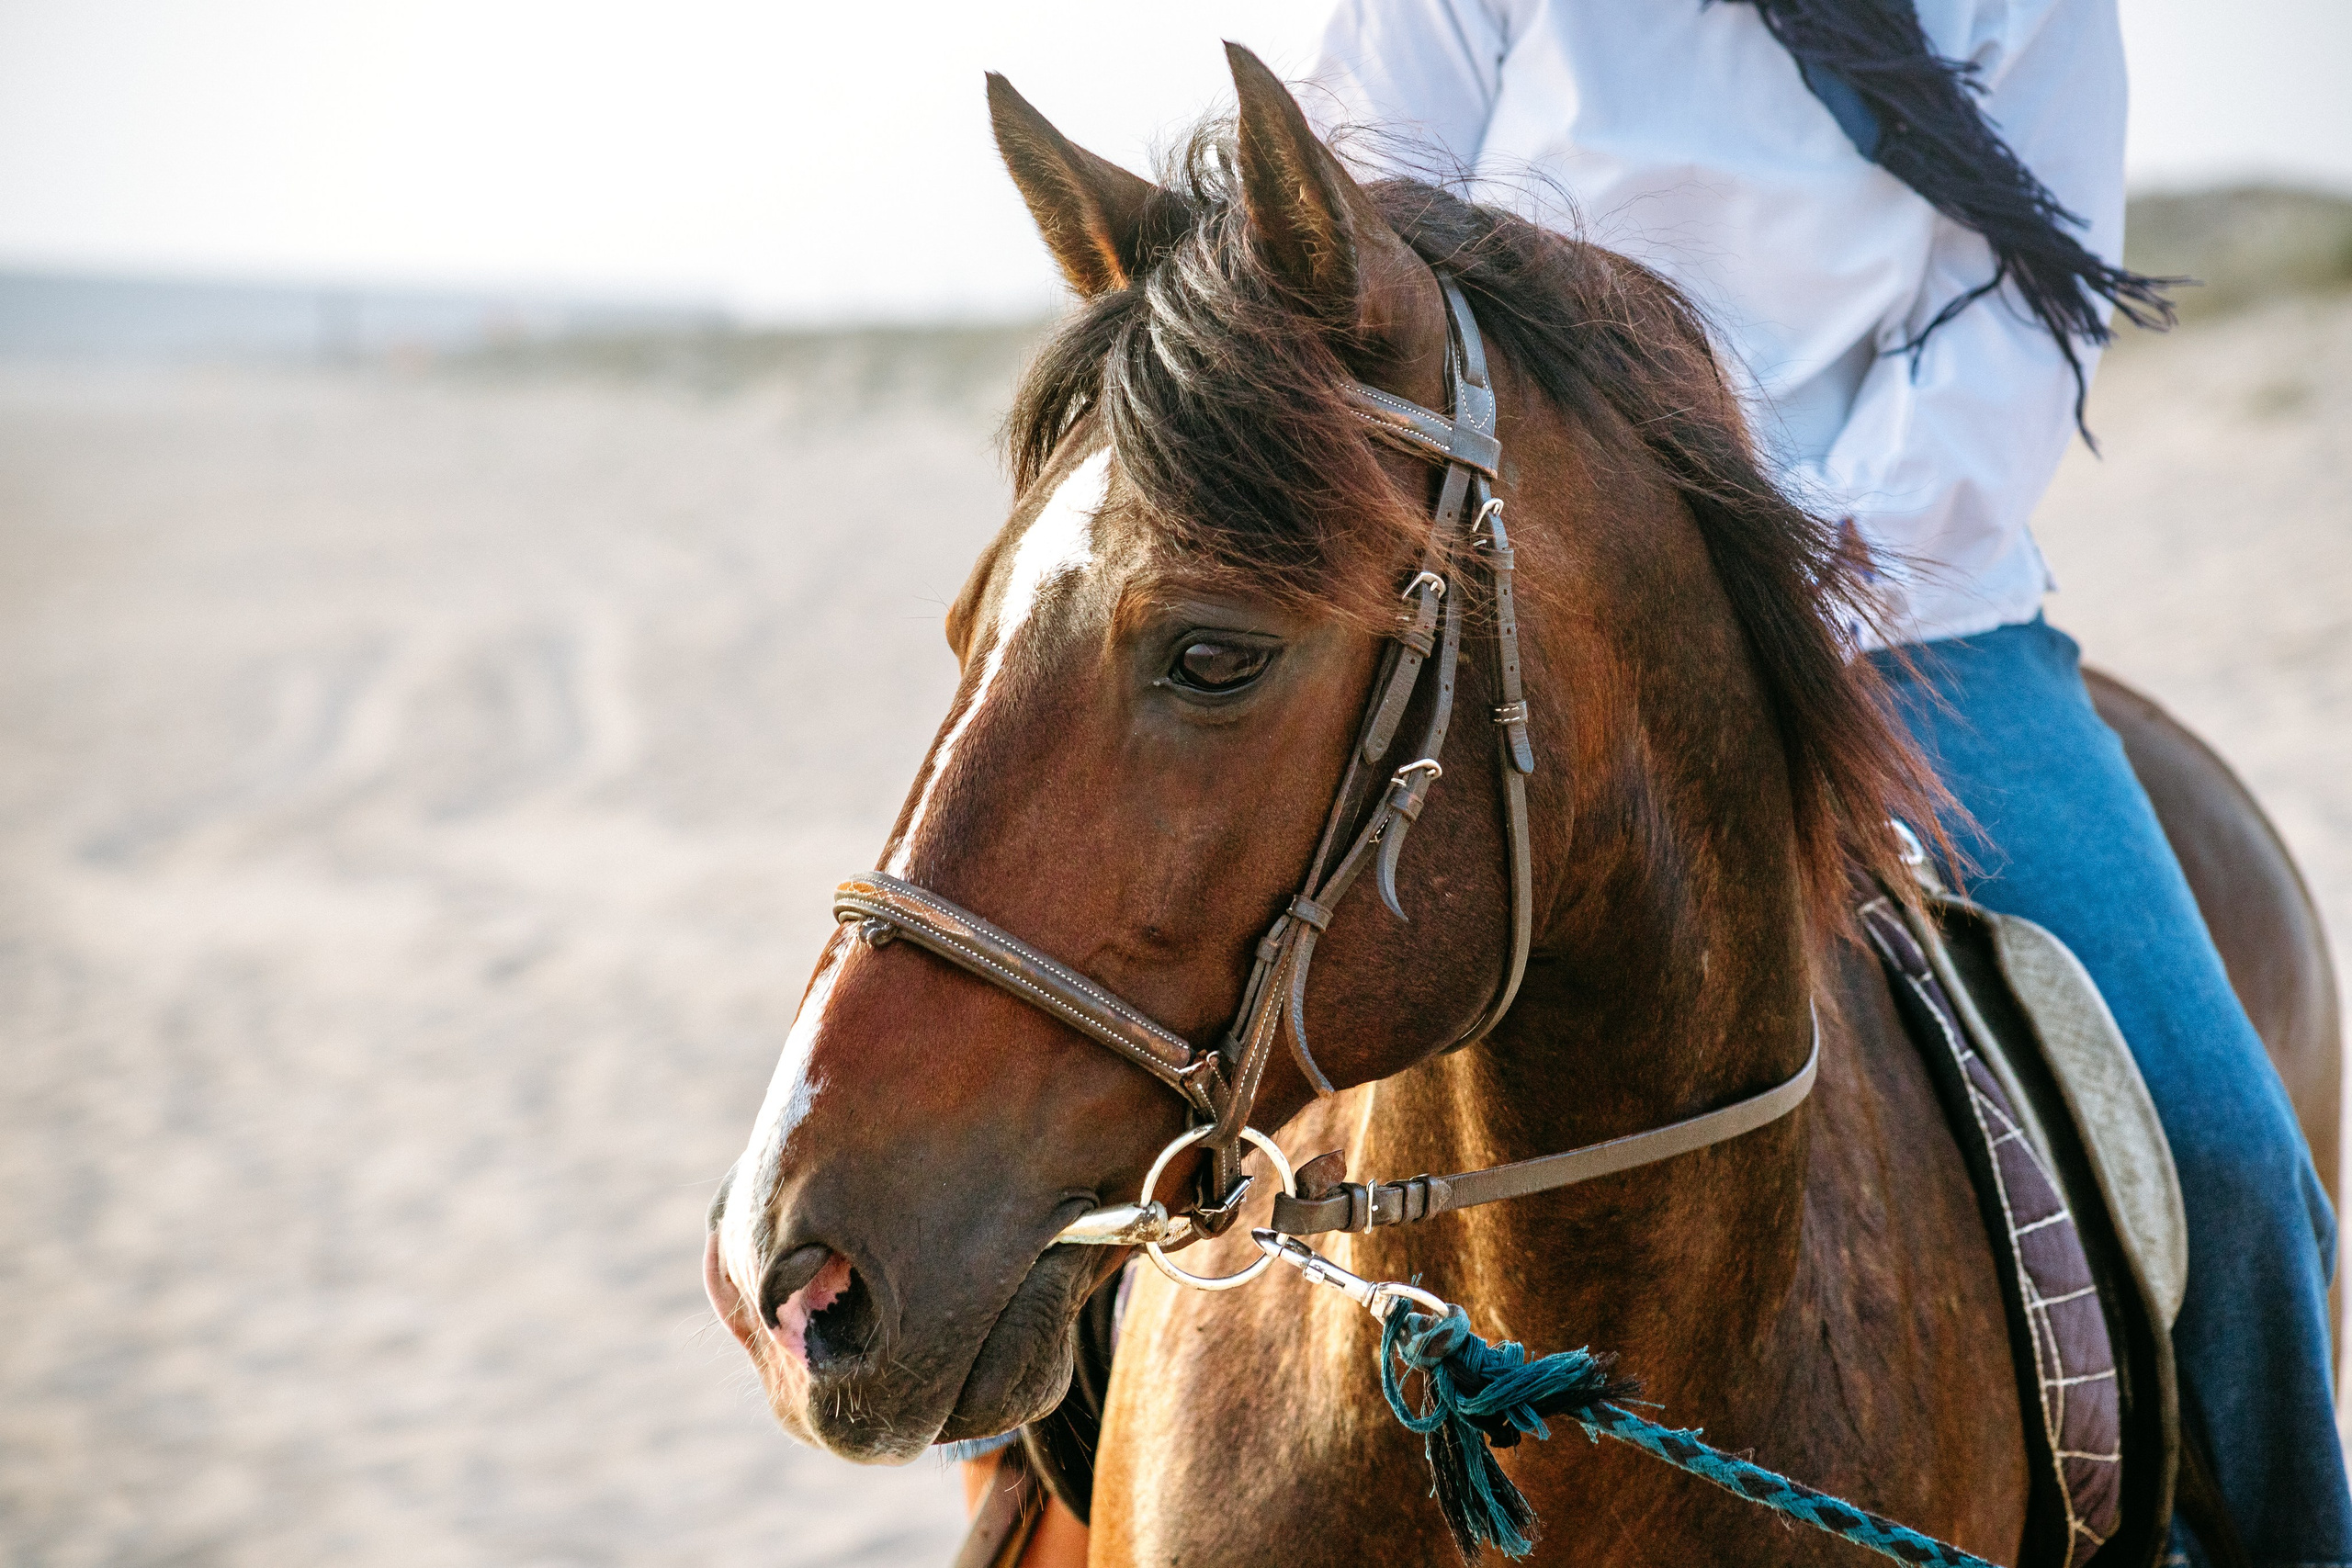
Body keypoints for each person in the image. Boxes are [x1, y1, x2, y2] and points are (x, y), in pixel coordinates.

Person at [1304, 0, 2351, 1562]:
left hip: (1912, 620)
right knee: (1148, 970)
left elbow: (2015, 327)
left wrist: (1774, 587)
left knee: (2224, 1146)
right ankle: (1010, 1459)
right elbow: (1348, 229)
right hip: (1523, 613)